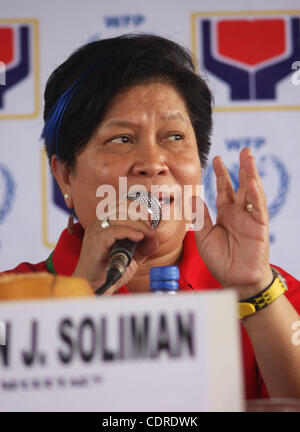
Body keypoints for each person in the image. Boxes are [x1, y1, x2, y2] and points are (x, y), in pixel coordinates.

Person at [2, 34, 300, 401]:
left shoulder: (275, 295)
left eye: (174, 136)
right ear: (64, 174)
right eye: (121, 139)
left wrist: (254, 289)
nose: (153, 163)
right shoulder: (12, 302)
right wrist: (81, 295)